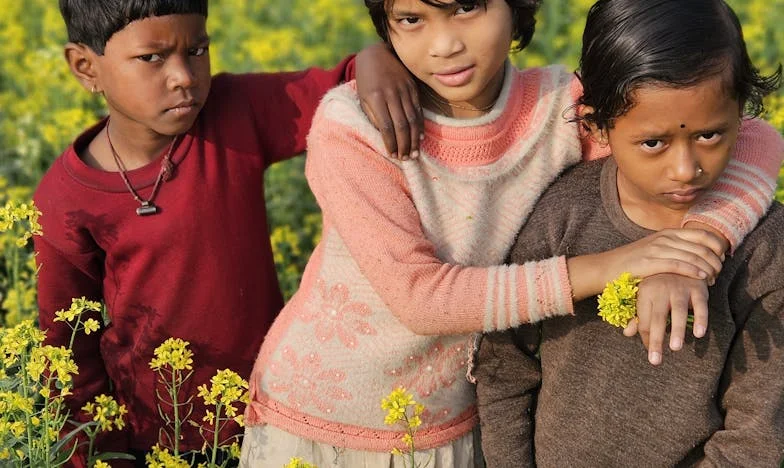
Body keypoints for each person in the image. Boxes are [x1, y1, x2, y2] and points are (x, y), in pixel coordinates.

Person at [241, 0, 784, 466]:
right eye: (411, 19)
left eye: (468, 8)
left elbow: (754, 137)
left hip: (458, 421)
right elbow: (421, 299)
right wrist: (625, 263)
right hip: (321, 418)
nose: (445, 45)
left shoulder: (556, 108)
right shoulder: (354, 126)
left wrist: (689, 253)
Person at [34, 0, 424, 464]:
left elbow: (338, 85)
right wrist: (94, 456)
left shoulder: (234, 110)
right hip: (155, 440)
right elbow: (65, 352)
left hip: (276, 411)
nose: (183, 76)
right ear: (85, 67)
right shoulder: (62, 200)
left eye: (197, 50)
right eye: (152, 58)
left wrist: (374, 58)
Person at [473, 0, 784, 466]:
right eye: (653, 143)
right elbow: (506, 370)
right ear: (598, 124)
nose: (685, 170)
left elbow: (757, 427)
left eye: (710, 135)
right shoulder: (563, 213)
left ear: (742, 112)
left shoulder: (764, 246)